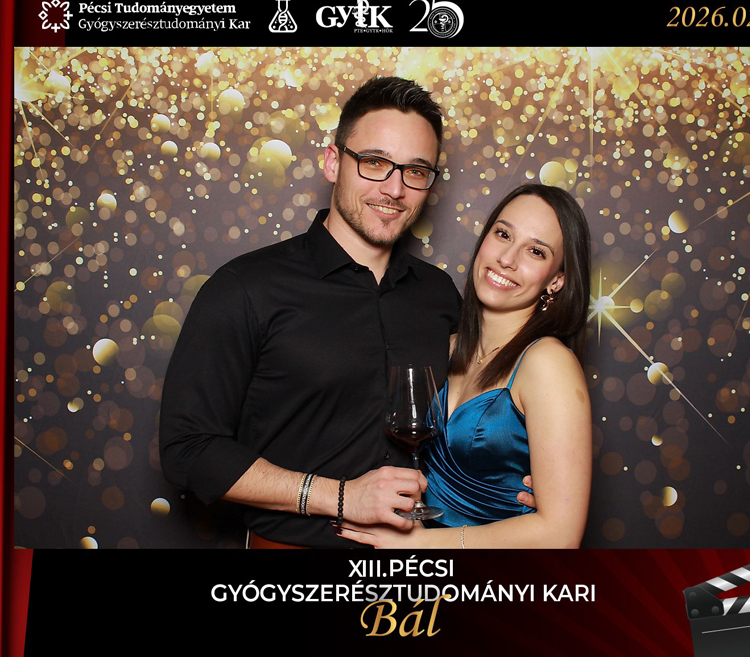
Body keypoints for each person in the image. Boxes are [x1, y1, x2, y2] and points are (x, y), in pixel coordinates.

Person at [159, 76, 463, 548]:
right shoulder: (246, 288)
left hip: (422, 559)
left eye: (416, 171)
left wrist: (509, 481)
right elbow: (188, 449)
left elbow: (472, 412)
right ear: (332, 162)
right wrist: (340, 497)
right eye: (375, 162)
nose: (395, 189)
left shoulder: (439, 294)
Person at [338, 183, 593, 548]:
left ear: (557, 280)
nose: (507, 258)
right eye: (503, 234)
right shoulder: (445, 345)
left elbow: (561, 536)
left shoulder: (548, 363)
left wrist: (419, 545)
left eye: (536, 251)